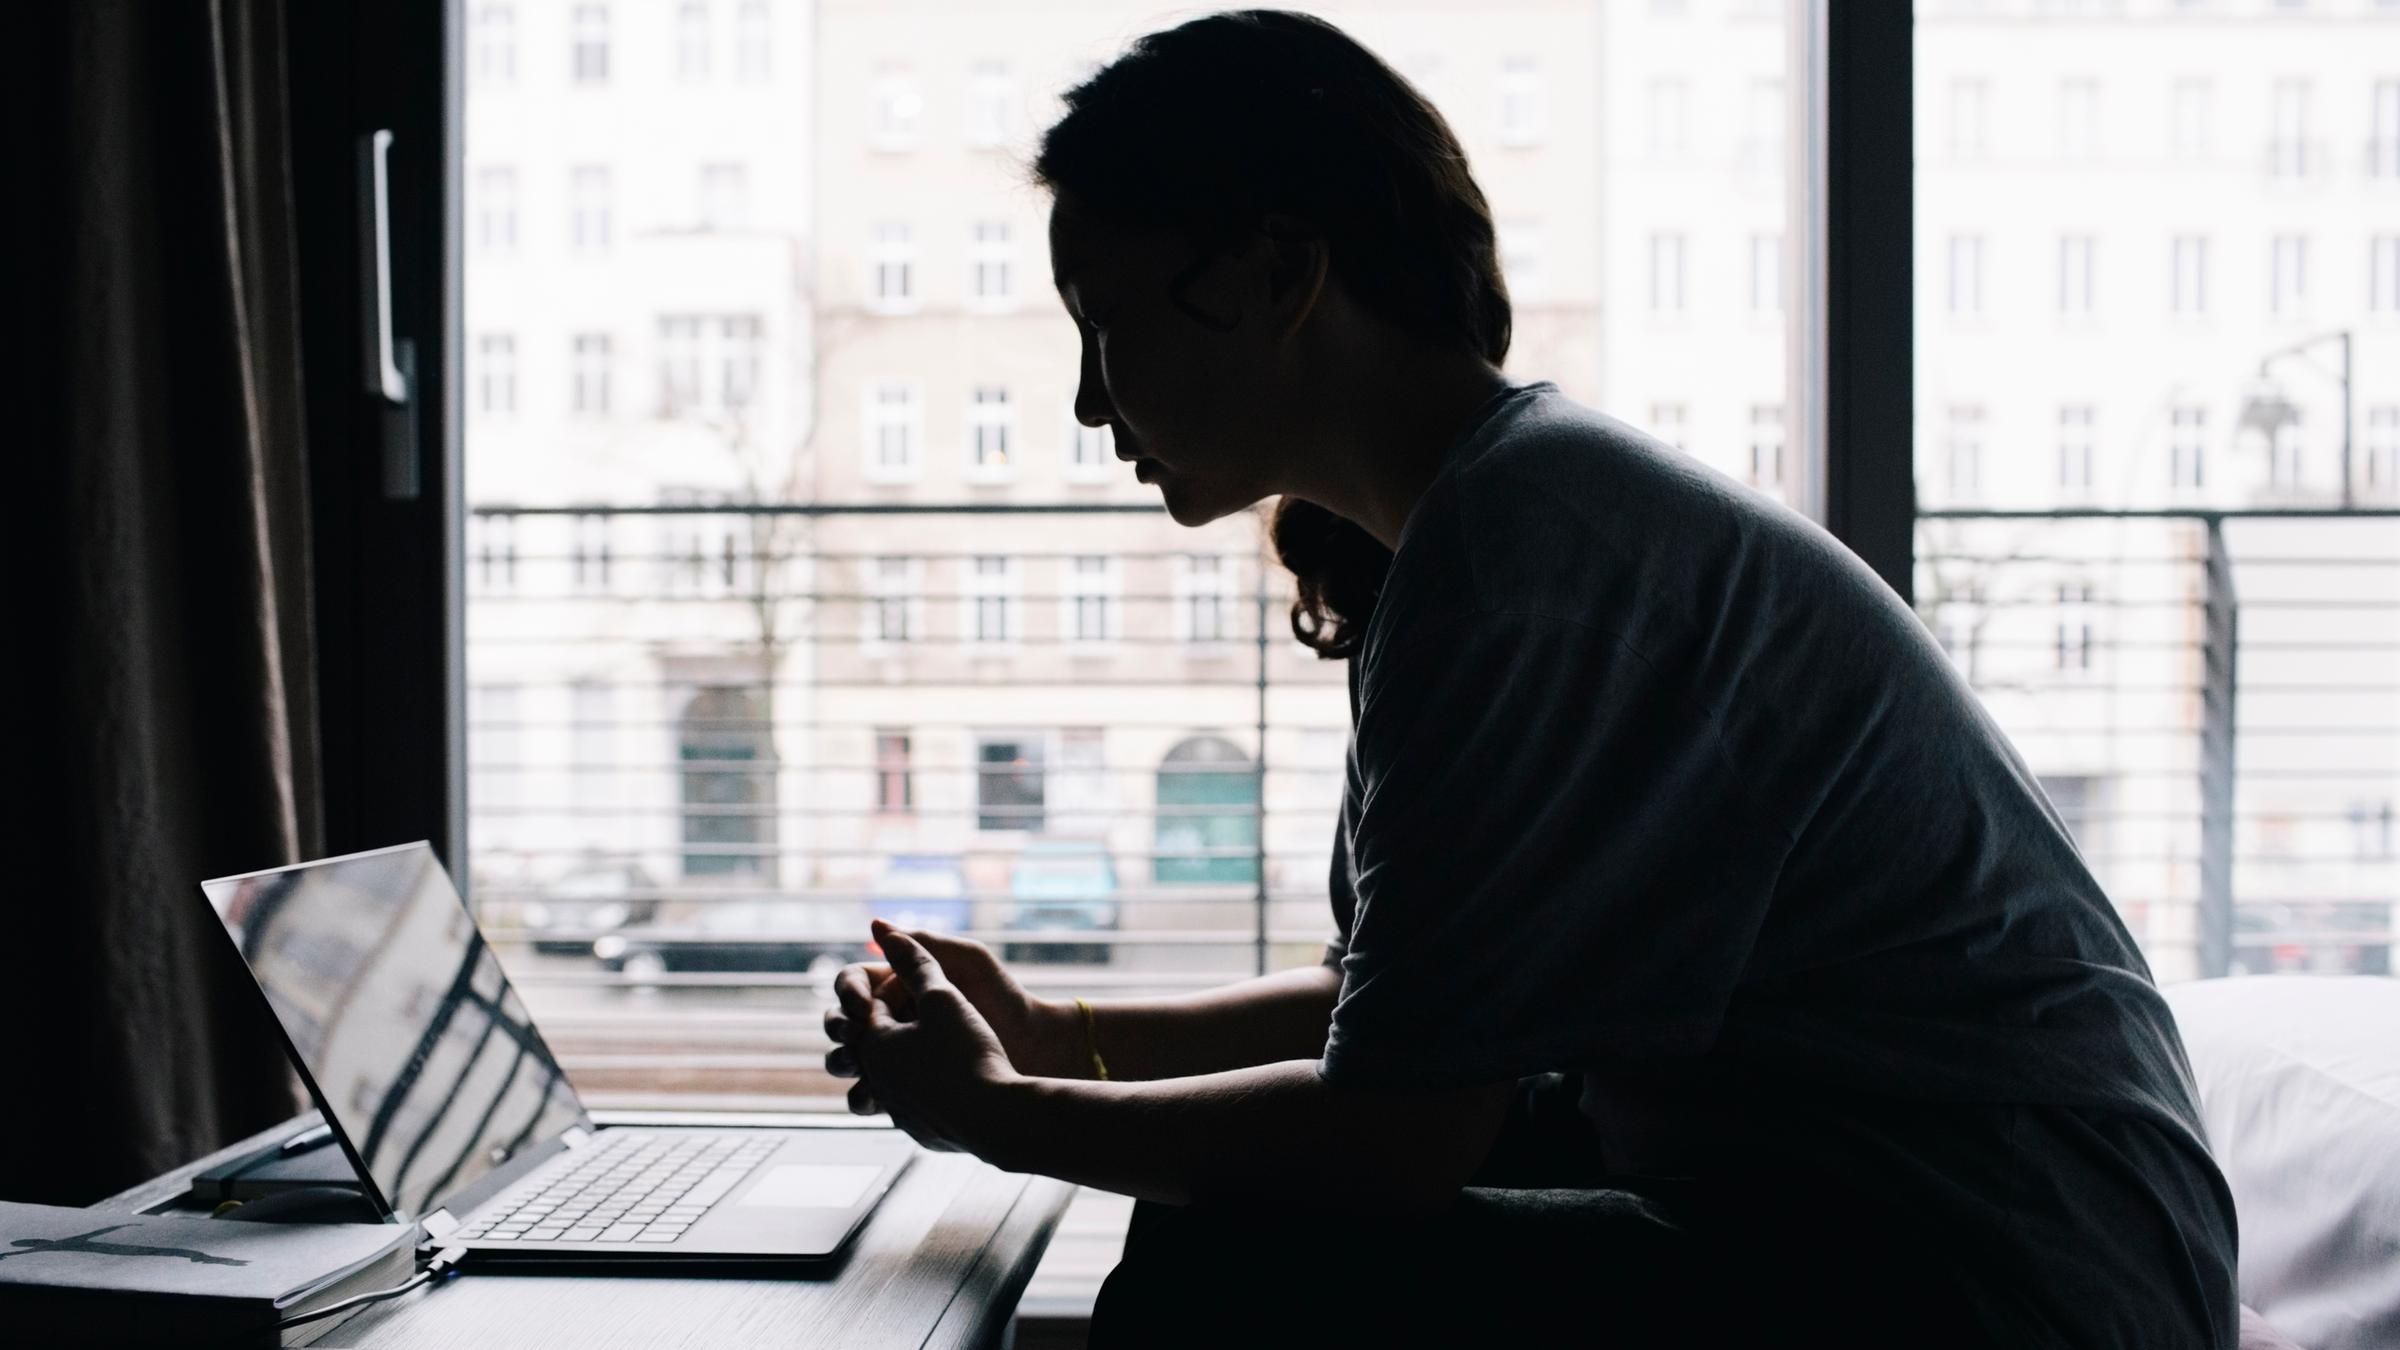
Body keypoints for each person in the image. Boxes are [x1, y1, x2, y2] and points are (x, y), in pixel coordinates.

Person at [823, 11, 2239, 1346]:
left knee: (1232, 1262)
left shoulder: (1521, 551)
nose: (1087, 398)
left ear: (1277, 275)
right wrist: (1052, 1035)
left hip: (2005, 1279)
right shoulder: (1507, 514)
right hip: (1987, 1234)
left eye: (1108, 318)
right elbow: (1413, 1014)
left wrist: (1010, 1112)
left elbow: (1391, 1132)